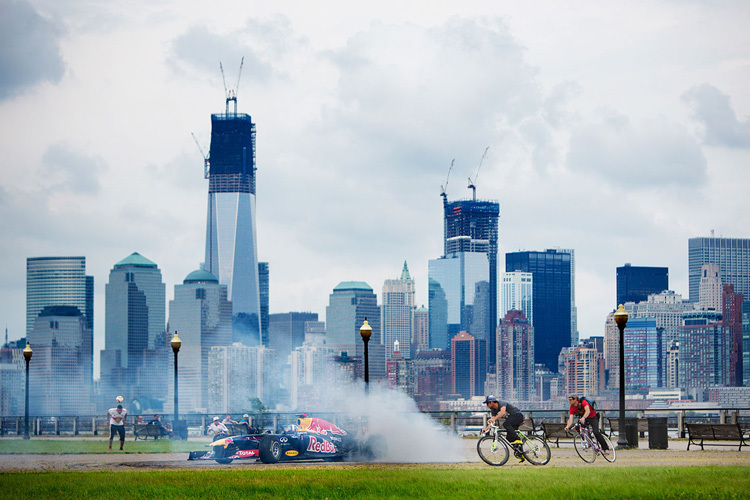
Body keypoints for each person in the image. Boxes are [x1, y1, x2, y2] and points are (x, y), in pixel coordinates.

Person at [481, 395, 525, 461]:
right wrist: (486, 429)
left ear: (491, 402)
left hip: (517, 416)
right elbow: (492, 420)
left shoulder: (501, 403)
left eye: (487, 403)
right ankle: (521, 454)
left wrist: (494, 418)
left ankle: (518, 439)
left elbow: (502, 412)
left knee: (506, 424)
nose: (486, 405)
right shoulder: (493, 410)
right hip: (512, 420)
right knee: (509, 438)